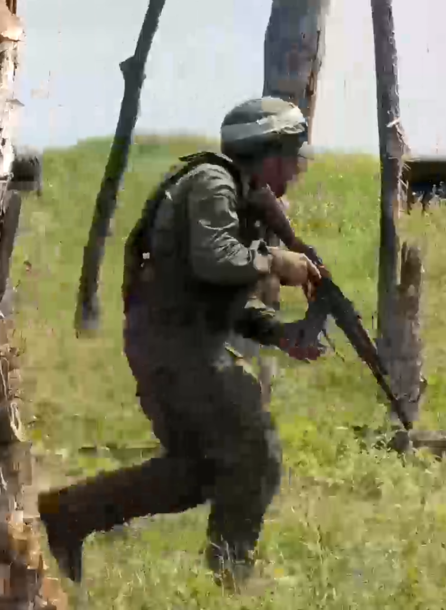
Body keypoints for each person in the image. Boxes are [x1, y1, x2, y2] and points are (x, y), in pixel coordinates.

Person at [37, 97, 328, 588]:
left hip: (178, 346)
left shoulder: (237, 192)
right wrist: (276, 261)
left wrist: (280, 334)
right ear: (269, 151)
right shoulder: (212, 184)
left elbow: (217, 297)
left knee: (199, 472)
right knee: (255, 453)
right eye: (294, 154)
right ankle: (231, 578)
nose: (298, 169)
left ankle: (69, 513)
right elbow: (216, 260)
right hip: (176, 351)